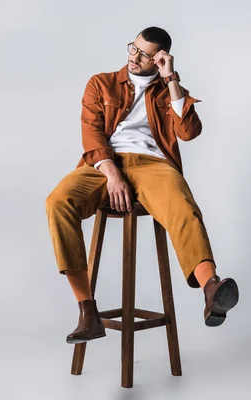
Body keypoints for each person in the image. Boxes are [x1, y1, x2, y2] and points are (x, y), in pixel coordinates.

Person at [45, 26, 239, 344]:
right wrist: (113, 175)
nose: (134, 57)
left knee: (182, 207)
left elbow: (189, 132)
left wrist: (171, 79)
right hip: (104, 163)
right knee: (58, 201)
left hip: (154, 165)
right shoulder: (101, 83)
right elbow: (92, 134)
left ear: (159, 58)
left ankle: (211, 290)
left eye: (144, 54)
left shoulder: (169, 91)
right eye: (132, 49)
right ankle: (87, 312)